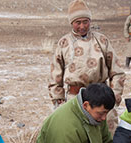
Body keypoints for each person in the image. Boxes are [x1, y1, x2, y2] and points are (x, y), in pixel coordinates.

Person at [48, 0, 125, 129]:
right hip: (75, 97)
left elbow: (117, 72)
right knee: (74, 132)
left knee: (106, 133)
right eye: (78, 22)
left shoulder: (102, 40)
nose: (82, 26)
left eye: (85, 21)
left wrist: (114, 96)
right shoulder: (64, 43)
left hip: (102, 97)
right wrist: (58, 96)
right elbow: (55, 72)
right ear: (71, 23)